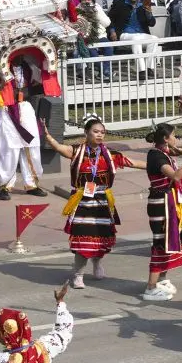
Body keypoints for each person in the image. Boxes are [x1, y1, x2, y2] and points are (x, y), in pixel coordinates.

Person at [41, 116, 134, 289]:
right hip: (82, 202)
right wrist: (48, 137)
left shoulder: (110, 155)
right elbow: (59, 148)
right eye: (95, 132)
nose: (99, 135)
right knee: (83, 241)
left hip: (103, 202)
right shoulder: (77, 151)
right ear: (86, 133)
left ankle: (97, 263)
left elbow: (132, 162)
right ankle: (78, 275)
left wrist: (158, 165)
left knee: (100, 238)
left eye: (102, 132)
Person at [139, 123, 182, 302]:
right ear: (165, 138)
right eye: (174, 135)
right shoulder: (156, 155)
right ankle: (150, 287)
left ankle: (161, 280)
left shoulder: (164, 153)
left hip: (170, 203)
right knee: (161, 242)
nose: (176, 139)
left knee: (172, 240)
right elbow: (176, 176)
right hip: (161, 205)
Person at [0, 63, 47, 201]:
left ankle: (32, 185)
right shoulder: (0, 65)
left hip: (26, 107)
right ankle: (5, 186)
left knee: (31, 145)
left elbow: (40, 82)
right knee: (9, 149)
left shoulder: (29, 65)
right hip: (8, 110)